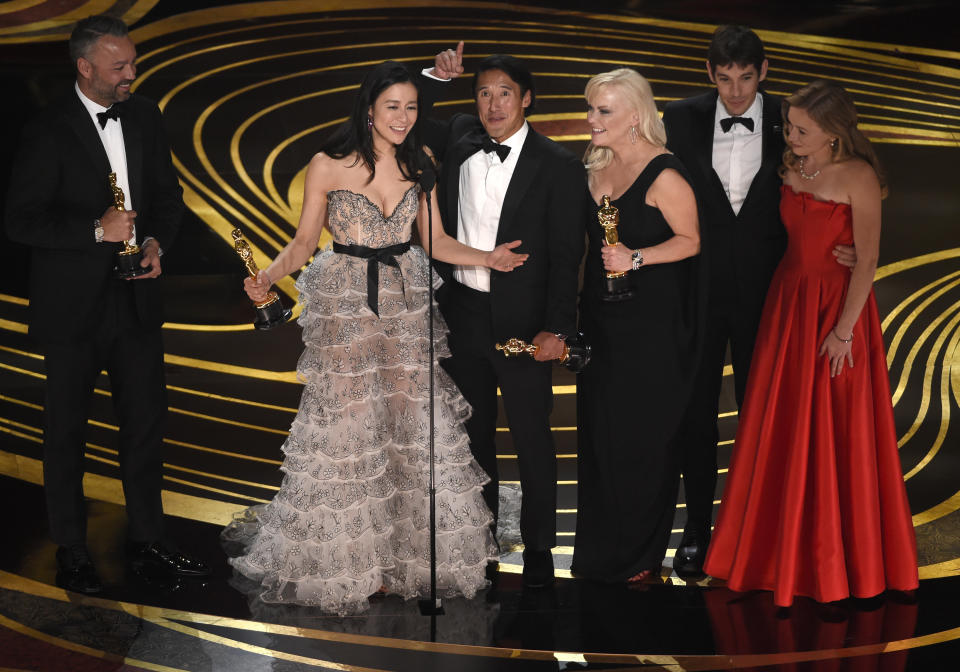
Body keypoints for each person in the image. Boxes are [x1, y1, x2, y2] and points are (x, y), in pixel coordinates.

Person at [223, 61, 526, 615]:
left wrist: (488, 257)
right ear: (369, 108)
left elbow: (434, 242)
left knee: (411, 426)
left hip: (406, 305)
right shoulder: (327, 164)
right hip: (346, 307)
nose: (404, 118)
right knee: (352, 428)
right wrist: (267, 275)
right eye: (393, 107)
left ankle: (407, 557)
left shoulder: (421, 163)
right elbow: (303, 243)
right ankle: (351, 560)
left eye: (412, 108)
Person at [4, 14, 209, 594]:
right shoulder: (46, 128)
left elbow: (168, 198)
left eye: (134, 64)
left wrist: (155, 242)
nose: (131, 75)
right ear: (84, 66)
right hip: (71, 312)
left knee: (145, 428)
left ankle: (148, 542)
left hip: (137, 303)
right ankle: (71, 549)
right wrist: (97, 231)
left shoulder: (146, 115)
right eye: (119, 67)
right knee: (65, 434)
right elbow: (20, 219)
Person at [703, 80, 919, 607]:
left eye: (801, 129)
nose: (790, 136)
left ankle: (844, 564)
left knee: (836, 430)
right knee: (781, 426)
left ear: (834, 131)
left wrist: (844, 331)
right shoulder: (791, 166)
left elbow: (865, 261)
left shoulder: (859, 176)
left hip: (837, 310)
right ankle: (769, 555)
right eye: (788, 127)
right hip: (788, 304)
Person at [663, 25, 854, 577]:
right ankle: (697, 528)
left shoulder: (793, 122)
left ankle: (755, 532)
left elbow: (844, 176)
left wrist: (847, 243)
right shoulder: (679, 118)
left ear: (764, 71)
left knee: (762, 416)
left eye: (746, 77)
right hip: (696, 292)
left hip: (771, 298)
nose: (736, 91)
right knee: (696, 416)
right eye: (724, 79)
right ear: (710, 74)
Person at [420, 44, 586, 587]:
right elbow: (402, 113)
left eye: (505, 93)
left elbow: (567, 255)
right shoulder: (460, 135)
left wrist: (557, 327)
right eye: (484, 92)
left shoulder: (558, 164)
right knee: (472, 434)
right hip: (462, 311)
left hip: (523, 320)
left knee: (532, 432)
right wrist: (435, 77)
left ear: (527, 99)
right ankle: (479, 534)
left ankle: (540, 544)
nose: (494, 104)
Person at [570, 68, 703, 583]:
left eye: (603, 111)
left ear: (634, 116)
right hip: (603, 325)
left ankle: (642, 558)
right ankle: (600, 554)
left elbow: (690, 240)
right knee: (600, 438)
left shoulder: (664, 173)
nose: (590, 119)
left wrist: (636, 259)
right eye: (590, 108)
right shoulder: (593, 167)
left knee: (645, 441)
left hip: (653, 331)